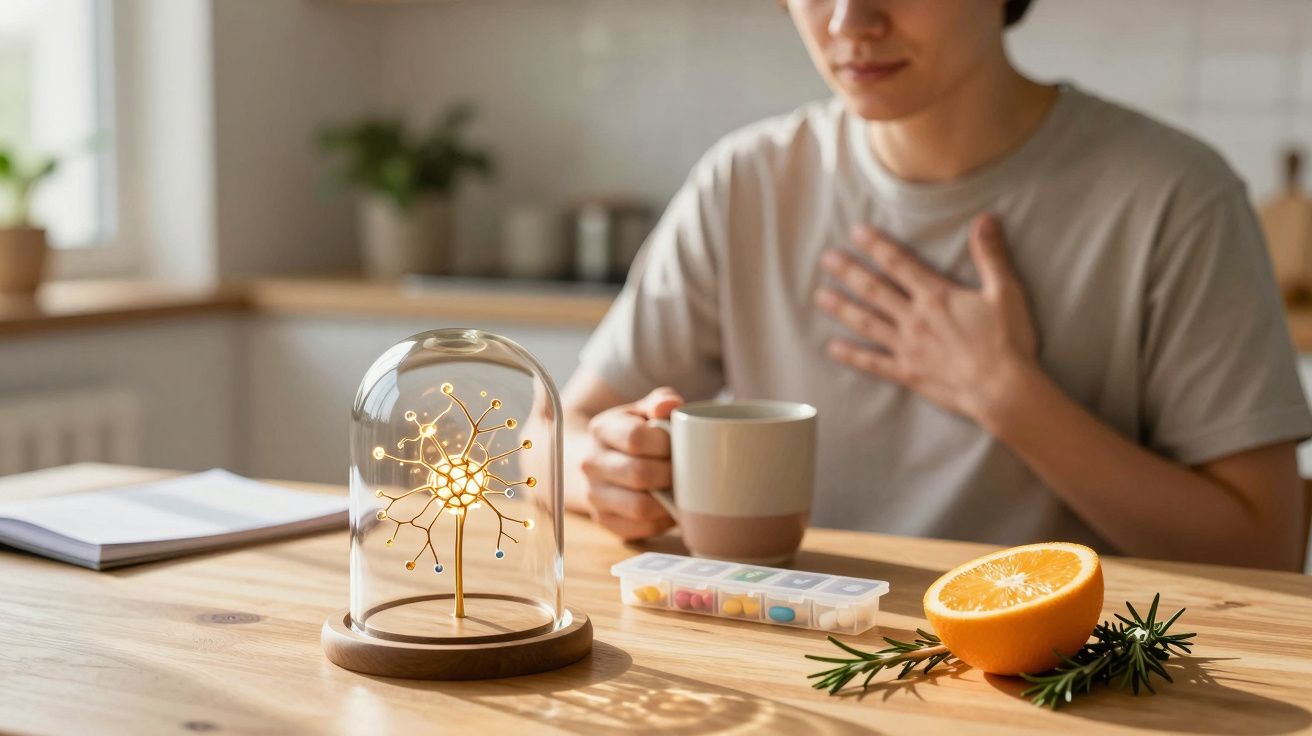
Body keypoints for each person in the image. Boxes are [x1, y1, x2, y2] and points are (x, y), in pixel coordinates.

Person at [560, 0, 1312, 571]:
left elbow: (1266, 546)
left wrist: (1006, 394)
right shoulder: (746, 182)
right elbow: (551, 435)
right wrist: (602, 472)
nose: (851, 21)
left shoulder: (1176, 197)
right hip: (788, 669)